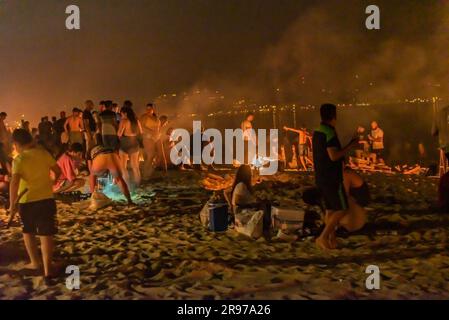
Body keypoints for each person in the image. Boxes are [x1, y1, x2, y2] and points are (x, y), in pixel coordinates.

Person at [9, 129, 62, 279]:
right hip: (46, 199)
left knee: (28, 232)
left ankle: (34, 263)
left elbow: (14, 184)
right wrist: (52, 182)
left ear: (17, 144)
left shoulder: (19, 160)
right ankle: (47, 269)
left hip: (27, 201)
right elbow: (58, 171)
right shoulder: (43, 153)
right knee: (46, 233)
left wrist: (12, 204)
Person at [312, 103, 358, 250]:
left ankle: (332, 241)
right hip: (331, 177)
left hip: (320, 175)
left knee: (330, 210)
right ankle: (323, 237)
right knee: (343, 209)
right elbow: (333, 156)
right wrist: (350, 146)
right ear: (334, 116)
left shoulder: (318, 131)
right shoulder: (330, 132)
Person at [303, 169, 369, 233]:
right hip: (353, 208)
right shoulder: (336, 177)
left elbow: (342, 199)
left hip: (355, 211)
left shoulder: (344, 175)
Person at [118, 106, 142, 188]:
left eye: (121, 114)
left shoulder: (124, 121)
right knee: (135, 166)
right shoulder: (136, 121)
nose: (121, 116)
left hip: (125, 142)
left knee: (123, 166)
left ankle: (127, 183)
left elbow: (119, 134)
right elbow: (141, 132)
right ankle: (138, 183)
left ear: (125, 113)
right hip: (134, 142)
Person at [140, 103, 160, 179]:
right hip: (147, 138)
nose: (148, 110)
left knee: (152, 156)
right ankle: (145, 173)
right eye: (147, 109)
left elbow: (158, 129)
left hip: (154, 138)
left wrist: (157, 136)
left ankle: (148, 172)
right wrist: (151, 132)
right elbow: (141, 127)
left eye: (149, 109)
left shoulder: (156, 119)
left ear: (153, 109)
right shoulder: (144, 117)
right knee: (150, 155)